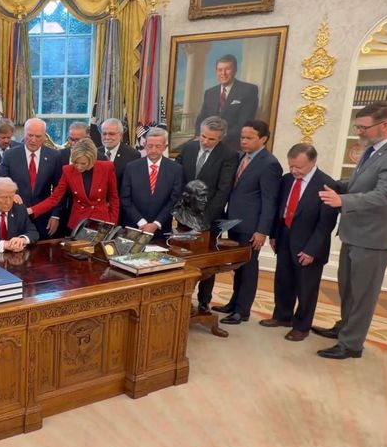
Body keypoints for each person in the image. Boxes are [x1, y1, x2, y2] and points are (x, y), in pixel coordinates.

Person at [315, 101, 387, 359]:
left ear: (385, 126)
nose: (359, 131)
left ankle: (351, 344)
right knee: (348, 289)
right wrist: (335, 184)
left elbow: (385, 194)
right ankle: (345, 328)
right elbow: (362, 181)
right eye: (357, 126)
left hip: (373, 237)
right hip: (354, 232)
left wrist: (343, 201)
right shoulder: (374, 149)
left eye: (363, 127)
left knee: (363, 294)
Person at [260, 144, 338, 341]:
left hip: (310, 243)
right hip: (285, 236)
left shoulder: (326, 184)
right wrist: (274, 235)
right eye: (291, 166)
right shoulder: (286, 180)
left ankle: (302, 326)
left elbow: (326, 224)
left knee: (306, 287)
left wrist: (312, 250)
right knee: (283, 280)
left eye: (299, 167)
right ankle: (282, 316)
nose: (294, 170)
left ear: (312, 162)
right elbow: (280, 210)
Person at [214, 120, 282, 325]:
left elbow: (270, 201)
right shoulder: (242, 157)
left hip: (252, 227)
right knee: (239, 266)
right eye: (242, 137)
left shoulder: (269, 164)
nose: (243, 141)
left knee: (249, 268)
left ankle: (242, 311)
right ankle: (234, 303)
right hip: (235, 223)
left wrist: (262, 231)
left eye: (249, 138)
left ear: (263, 139)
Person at [175, 116, 238, 313]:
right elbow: (177, 180)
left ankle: (203, 302)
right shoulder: (188, 148)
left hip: (208, 219)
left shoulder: (228, 155)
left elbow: (223, 191)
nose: (205, 141)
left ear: (221, 138)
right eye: (203, 136)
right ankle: (181, 300)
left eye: (211, 139)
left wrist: (203, 219)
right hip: (183, 216)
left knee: (206, 264)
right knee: (181, 258)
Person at [28, 139, 119, 230]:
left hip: (101, 222)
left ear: (92, 160)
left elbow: (114, 198)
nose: (79, 167)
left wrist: (112, 224)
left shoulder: (107, 168)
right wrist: (31, 210)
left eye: (83, 163)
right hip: (78, 222)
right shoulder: (68, 170)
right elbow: (55, 198)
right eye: (75, 162)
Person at [0, 117, 64, 238]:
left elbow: (59, 189)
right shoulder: (10, 155)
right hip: (16, 214)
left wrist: (55, 215)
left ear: (44, 136)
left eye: (38, 136)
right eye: (30, 135)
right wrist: (11, 193)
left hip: (44, 216)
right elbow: (0, 180)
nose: (33, 140)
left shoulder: (54, 156)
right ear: (24, 134)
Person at [119, 128, 184, 238]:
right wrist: (142, 223)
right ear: (144, 145)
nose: (153, 150)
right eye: (150, 146)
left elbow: (174, 200)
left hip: (161, 229)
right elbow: (125, 198)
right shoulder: (131, 167)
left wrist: (156, 224)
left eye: (158, 146)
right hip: (135, 227)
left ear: (165, 147)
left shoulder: (176, 169)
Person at [194, 55, 259, 151]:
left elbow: (244, 123)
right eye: (220, 70)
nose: (223, 73)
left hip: (232, 144)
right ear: (216, 72)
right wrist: (200, 136)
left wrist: (217, 138)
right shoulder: (210, 92)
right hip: (207, 142)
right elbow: (202, 118)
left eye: (227, 69)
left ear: (235, 70)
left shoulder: (248, 90)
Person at [96, 118, 140, 187]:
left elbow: (134, 184)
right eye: (104, 134)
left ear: (121, 135)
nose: (107, 137)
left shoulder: (133, 155)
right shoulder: (94, 153)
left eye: (111, 134)